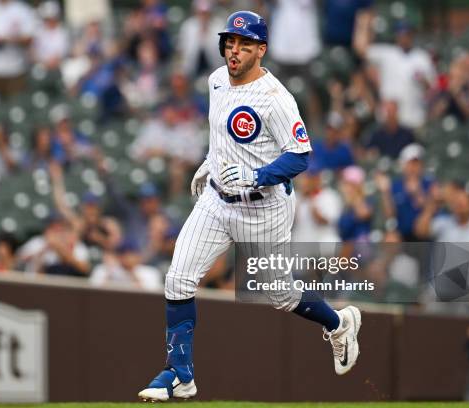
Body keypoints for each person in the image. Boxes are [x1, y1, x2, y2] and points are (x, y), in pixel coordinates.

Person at [138, 11, 362, 402]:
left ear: (261, 49)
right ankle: (180, 373)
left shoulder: (276, 99)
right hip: (216, 201)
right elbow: (221, 133)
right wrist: (209, 164)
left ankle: (339, 323)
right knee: (177, 279)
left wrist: (257, 177)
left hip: (263, 208)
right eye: (230, 42)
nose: (234, 50)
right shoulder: (216, 80)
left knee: (280, 295)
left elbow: (300, 155)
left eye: (244, 44)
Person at [354, 20, 436, 129]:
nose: (404, 37)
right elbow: (361, 49)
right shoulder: (387, 53)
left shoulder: (422, 57)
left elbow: (433, 87)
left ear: (412, 35)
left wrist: (423, 81)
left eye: (407, 34)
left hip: (414, 119)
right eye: (401, 34)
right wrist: (363, 24)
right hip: (388, 119)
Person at [374, 144, 432, 241]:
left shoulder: (428, 183)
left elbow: (430, 208)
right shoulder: (396, 185)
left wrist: (417, 193)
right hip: (402, 234)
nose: (414, 167)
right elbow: (390, 214)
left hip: (424, 233)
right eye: (411, 163)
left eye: (417, 163)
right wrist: (385, 192)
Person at [89, 240, 163, 291]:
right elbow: (94, 293)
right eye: (123, 254)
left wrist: (132, 273)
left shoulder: (151, 272)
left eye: (131, 254)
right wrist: (109, 271)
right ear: (117, 256)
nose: (127, 257)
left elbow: (152, 299)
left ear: (139, 256)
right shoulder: (103, 269)